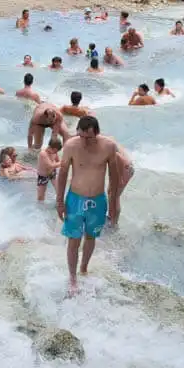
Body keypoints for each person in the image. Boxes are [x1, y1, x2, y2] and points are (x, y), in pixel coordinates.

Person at [56, 116, 122, 293]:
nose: (84, 141)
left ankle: (84, 268)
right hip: (75, 200)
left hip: (98, 200)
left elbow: (114, 175)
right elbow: (62, 174)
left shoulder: (108, 146)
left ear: (97, 133)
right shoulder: (71, 146)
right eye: (81, 136)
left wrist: (114, 200)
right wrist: (59, 201)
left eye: (88, 137)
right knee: (73, 239)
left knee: (91, 237)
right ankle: (72, 278)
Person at [37, 137, 63, 202]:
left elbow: (57, 162)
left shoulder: (54, 152)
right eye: (56, 151)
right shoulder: (43, 154)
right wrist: (63, 162)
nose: (56, 152)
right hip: (43, 176)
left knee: (58, 190)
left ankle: (59, 202)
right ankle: (40, 209)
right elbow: (50, 165)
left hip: (52, 173)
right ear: (51, 147)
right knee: (41, 196)